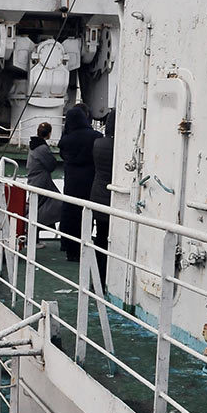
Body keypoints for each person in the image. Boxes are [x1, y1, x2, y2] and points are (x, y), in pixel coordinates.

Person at [58, 104, 102, 261]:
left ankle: (69, 248)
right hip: (89, 182)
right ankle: (84, 246)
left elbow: (63, 154)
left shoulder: (65, 140)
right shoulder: (95, 136)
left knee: (70, 214)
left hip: (71, 182)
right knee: (86, 214)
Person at [90, 109, 115, 289]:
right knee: (111, 238)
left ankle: (97, 275)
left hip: (97, 193)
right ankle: (109, 276)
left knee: (100, 236)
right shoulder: (118, 147)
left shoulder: (98, 143)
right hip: (112, 197)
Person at [25, 122, 62, 237]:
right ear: (49, 133)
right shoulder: (42, 148)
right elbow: (51, 164)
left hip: (34, 181)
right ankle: (34, 237)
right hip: (41, 182)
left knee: (35, 208)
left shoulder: (34, 145)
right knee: (56, 203)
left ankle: (34, 237)